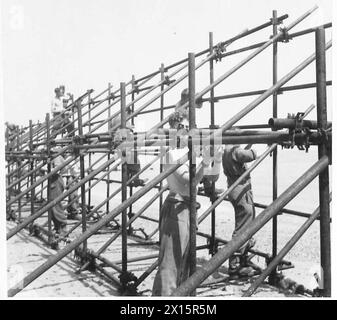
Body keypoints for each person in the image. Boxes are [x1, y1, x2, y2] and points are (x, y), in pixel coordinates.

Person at [152, 112, 220, 296]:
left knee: (182, 262)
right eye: (185, 127)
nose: (190, 131)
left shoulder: (188, 151)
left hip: (186, 207)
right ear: (177, 129)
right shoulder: (172, 152)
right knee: (171, 265)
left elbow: (212, 177)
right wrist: (205, 162)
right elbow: (189, 180)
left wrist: (215, 157)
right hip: (177, 207)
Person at [222, 142, 261, 277]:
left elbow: (240, 155)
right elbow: (249, 155)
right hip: (241, 191)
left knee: (245, 225)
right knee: (242, 227)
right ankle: (234, 265)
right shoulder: (234, 150)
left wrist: (249, 143)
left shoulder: (227, 149)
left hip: (235, 189)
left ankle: (242, 260)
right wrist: (257, 149)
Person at [175, 88, 223, 198]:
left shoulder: (181, 105)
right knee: (205, 152)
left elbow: (198, 104)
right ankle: (207, 185)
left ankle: (207, 186)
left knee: (202, 155)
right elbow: (197, 105)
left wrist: (207, 100)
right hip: (186, 136)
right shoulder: (182, 110)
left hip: (188, 134)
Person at [111, 106, 146, 187]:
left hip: (117, 143)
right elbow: (127, 132)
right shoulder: (123, 120)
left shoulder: (115, 118)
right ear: (127, 112)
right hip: (123, 143)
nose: (129, 117)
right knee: (135, 162)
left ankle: (128, 180)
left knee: (127, 162)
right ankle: (135, 179)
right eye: (130, 115)